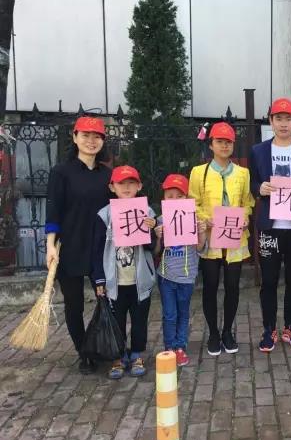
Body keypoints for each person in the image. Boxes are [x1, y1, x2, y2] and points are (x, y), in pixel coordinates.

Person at [45, 116, 111, 374]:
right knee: (74, 304)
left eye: (97, 137)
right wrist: (50, 245)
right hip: (70, 246)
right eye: (85, 135)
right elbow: (53, 210)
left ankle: (103, 343)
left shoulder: (107, 175)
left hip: (100, 248)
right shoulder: (61, 172)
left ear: (103, 141)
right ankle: (84, 352)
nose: (91, 141)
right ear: (74, 137)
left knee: (106, 298)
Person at [249, 98, 291, 352]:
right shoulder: (258, 151)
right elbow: (251, 183)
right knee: (268, 281)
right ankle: (269, 329)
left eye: (288, 118)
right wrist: (259, 188)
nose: (284, 123)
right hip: (270, 227)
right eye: (279, 118)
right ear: (271, 121)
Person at [188, 122, 255, 356]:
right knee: (210, 287)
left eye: (228, 142)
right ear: (211, 145)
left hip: (234, 239)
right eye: (220, 141)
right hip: (210, 239)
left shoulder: (243, 173)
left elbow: (247, 202)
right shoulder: (199, 172)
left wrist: (245, 217)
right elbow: (193, 202)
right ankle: (213, 334)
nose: (224, 146)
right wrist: (205, 219)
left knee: (233, 287)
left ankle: (227, 331)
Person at [91, 165, 157, 379]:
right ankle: (118, 357)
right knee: (116, 322)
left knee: (139, 321)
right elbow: (97, 249)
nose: (127, 188)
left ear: (139, 186)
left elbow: (152, 248)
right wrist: (99, 279)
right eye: (121, 184)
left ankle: (136, 354)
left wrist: (150, 230)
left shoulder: (147, 212)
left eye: (131, 183)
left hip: (140, 281)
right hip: (114, 283)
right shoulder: (104, 215)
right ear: (112, 187)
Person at [154, 174, 207, 366]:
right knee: (170, 314)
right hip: (166, 277)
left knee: (183, 313)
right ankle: (169, 347)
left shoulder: (194, 220)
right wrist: (157, 237)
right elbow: (156, 252)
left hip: (187, 277)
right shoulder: (160, 220)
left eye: (180, 196)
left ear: (187, 198)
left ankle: (180, 347)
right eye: (170, 196)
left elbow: (200, 248)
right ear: (164, 198)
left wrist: (201, 232)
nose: (175, 200)